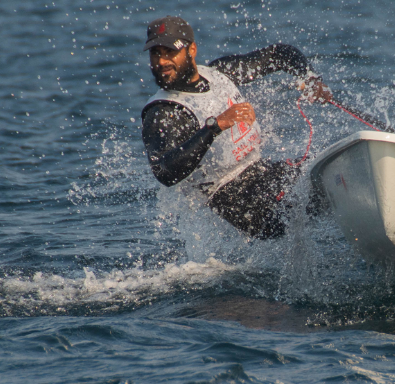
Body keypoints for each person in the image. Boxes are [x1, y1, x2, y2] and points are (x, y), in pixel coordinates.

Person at [140, 15, 331, 239]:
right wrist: (214, 126)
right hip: (237, 201)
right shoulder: (163, 112)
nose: (161, 62)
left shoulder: (220, 73)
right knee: (314, 194)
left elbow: (278, 55)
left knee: (322, 175)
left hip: (262, 172)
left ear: (191, 50)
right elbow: (164, 172)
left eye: (170, 52)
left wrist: (308, 77)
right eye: (156, 54)